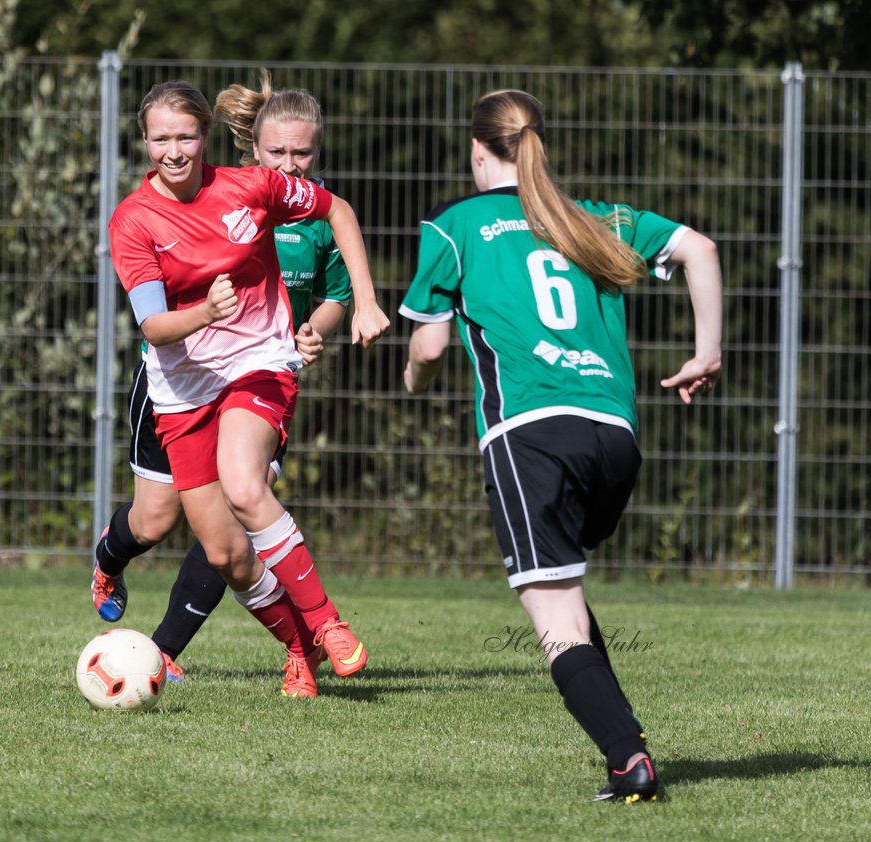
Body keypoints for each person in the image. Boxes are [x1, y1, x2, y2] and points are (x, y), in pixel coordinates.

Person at [399, 90, 722, 802]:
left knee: (555, 619)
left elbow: (428, 341)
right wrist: (706, 353)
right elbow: (700, 248)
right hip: (616, 438)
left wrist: (414, 373)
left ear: (477, 151)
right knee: (567, 586)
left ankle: (627, 762)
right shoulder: (597, 218)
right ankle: (625, 738)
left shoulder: (455, 227)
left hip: (529, 436)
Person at [103, 79, 390, 698]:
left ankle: (325, 622)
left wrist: (364, 303)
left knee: (243, 483)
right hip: (182, 386)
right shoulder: (133, 220)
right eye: (161, 139)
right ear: (145, 142)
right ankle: (298, 649)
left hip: (259, 363)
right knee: (228, 555)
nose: (174, 151)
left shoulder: (250, 186)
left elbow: (337, 209)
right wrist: (206, 312)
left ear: (206, 137)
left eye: (185, 137)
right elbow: (153, 326)